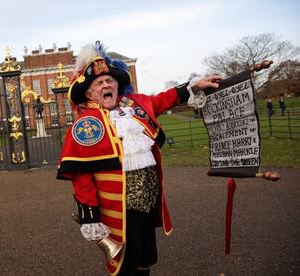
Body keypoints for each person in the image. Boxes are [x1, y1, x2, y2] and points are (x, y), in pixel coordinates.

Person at [57, 42, 221, 275]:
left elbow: (163, 99)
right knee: (126, 263)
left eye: (110, 81)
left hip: (149, 200)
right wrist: (90, 217)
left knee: (146, 258)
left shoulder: (135, 106)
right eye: (99, 83)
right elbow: (81, 176)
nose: (106, 84)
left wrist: (193, 87)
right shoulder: (87, 125)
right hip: (121, 207)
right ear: (89, 92)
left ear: (117, 86)